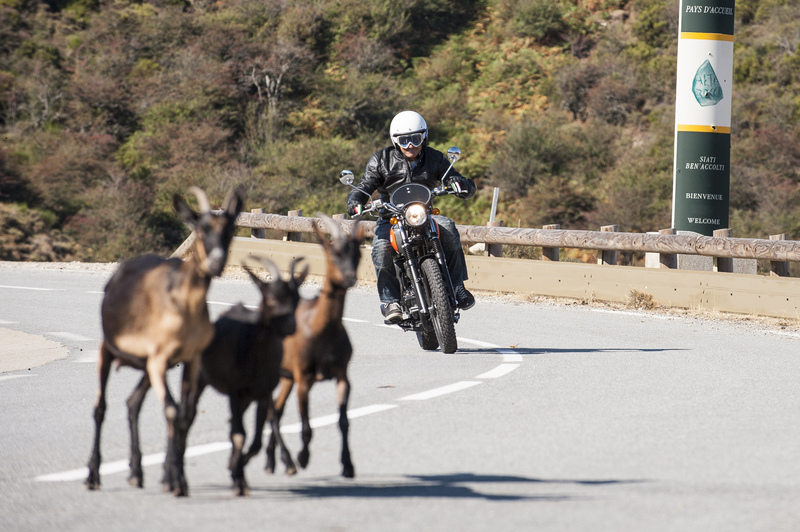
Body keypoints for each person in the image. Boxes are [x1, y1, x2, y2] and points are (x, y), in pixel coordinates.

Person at [347, 110, 477, 324]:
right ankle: (391, 301)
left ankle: (457, 286)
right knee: (381, 249)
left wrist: (461, 185)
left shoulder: (435, 157)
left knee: (449, 228)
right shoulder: (381, 159)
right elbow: (364, 186)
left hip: (424, 215)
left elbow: (456, 178)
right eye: (404, 140)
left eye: (415, 139)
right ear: (395, 140)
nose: (410, 145)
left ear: (423, 137)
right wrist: (356, 202)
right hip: (392, 218)